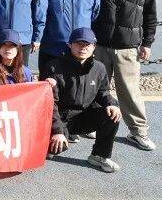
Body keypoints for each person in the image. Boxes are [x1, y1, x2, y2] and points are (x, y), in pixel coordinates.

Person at [89, 0, 157, 152]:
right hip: (100, 44)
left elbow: (150, 14)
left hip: (128, 47)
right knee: (94, 87)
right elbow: (89, 8)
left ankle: (138, 132)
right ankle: (91, 123)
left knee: (129, 92)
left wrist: (147, 42)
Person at [44, 27, 123, 172]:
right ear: (70, 45)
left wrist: (112, 104)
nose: (83, 48)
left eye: (87, 44)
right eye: (78, 44)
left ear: (94, 47)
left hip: (83, 116)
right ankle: (61, 136)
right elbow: (50, 104)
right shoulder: (54, 67)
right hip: (60, 119)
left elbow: (103, 91)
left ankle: (99, 156)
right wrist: (57, 131)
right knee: (53, 150)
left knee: (112, 115)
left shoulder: (99, 68)